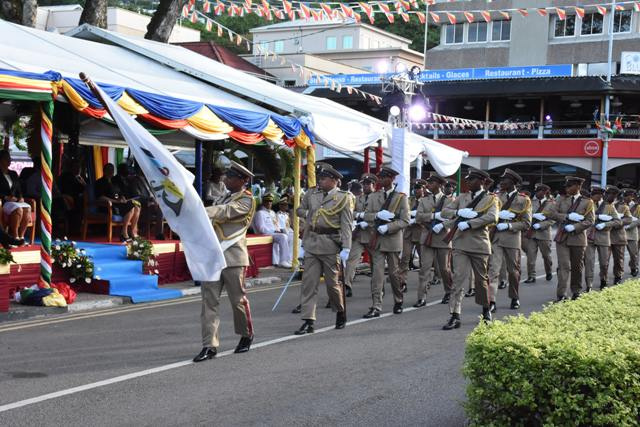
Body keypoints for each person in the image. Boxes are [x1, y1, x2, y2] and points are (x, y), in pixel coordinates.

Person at [194, 160, 257, 362]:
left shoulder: (247, 200)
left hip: (233, 256)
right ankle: (209, 345)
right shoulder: (222, 196)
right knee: (208, 302)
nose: (226, 179)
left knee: (237, 300)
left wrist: (199, 210)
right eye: (226, 176)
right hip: (213, 256)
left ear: (242, 180)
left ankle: (246, 334)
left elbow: (226, 212)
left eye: (230, 177)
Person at [294, 164, 352, 334]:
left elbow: (346, 224)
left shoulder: (343, 198)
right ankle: (308, 320)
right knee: (308, 284)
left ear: (334, 181)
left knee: (332, 284)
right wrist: (303, 245)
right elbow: (309, 222)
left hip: (330, 244)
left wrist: (346, 248)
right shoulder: (314, 195)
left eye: (324, 179)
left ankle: (340, 311)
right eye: (320, 178)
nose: (320, 181)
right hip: (312, 243)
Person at [441, 168, 498, 329]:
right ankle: (454, 315)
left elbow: (493, 217)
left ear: (481, 181)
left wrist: (471, 223)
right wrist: (458, 211)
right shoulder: (462, 197)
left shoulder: (490, 199)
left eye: (472, 179)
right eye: (468, 179)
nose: (468, 182)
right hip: (460, 244)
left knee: (481, 281)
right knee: (458, 278)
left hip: (479, 243)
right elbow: (445, 211)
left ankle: (486, 309)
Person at [488, 169, 531, 311]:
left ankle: (514, 297)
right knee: (493, 270)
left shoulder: (523, 200)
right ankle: (491, 301)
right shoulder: (495, 197)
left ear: (513, 182)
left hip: (512, 239)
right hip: (496, 239)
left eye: (504, 180)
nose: (501, 182)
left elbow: (526, 223)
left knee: (513, 271)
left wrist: (509, 225)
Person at [547, 176, 594, 301]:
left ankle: (576, 291)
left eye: (570, 185)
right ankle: (561, 293)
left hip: (578, 238)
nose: (567, 188)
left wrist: (576, 227)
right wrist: (567, 216)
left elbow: (590, 221)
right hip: (562, 238)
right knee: (564, 266)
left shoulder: (587, 202)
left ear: (578, 186)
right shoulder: (561, 200)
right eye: (566, 186)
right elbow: (551, 213)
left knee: (577, 267)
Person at [415, 173, 454, 307]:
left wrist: (442, 225)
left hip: (443, 237)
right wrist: (433, 216)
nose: (428, 185)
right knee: (424, 268)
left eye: (431, 183)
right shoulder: (424, 200)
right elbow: (418, 217)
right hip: (427, 237)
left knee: (444, 269)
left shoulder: (450, 201)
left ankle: (449, 291)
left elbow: (453, 219)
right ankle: (422, 297)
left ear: (439, 185)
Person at [94, 163, 141, 242]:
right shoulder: (100, 182)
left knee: (137, 207)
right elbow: (101, 197)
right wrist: (115, 201)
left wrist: (122, 198)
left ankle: (133, 232)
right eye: (109, 170)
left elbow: (119, 192)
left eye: (112, 170)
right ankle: (124, 232)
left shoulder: (114, 181)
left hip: (117, 203)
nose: (111, 172)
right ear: (104, 171)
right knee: (131, 207)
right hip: (106, 205)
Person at [584, 186, 619, 291]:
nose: (598, 197)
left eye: (600, 195)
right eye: (596, 195)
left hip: (603, 237)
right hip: (589, 236)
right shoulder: (587, 204)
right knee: (589, 262)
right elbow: (582, 217)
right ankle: (589, 284)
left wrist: (606, 224)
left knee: (604, 262)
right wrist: (598, 217)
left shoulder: (609, 207)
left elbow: (618, 221)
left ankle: (603, 280)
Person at [347, 174, 377, 298]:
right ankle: (347, 285)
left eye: (367, 183)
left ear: (373, 185)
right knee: (351, 261)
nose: (365, 186)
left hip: (373, 234)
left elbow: (381, 215)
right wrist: (359, 216)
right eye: (363, 184)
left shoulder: (379, 198)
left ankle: (377, 286)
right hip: (359, 234)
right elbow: (351, 212)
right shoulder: (358, 198)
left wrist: (368, 220)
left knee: (376, 264)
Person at [523, 184, 555, 283]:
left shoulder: (551, 203)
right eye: (538, 191)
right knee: (530, 256)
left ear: (545, 192)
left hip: (544, 233)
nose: (539, 193)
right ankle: (531, 276)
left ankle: (548, 271)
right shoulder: (530, 201)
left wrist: (542, 225)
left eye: (542, 191)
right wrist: (533, 216)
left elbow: (553, 219)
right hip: (531, 233)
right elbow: (524, 214)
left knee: (546, 256)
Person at [399, 179, 426, 293]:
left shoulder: (427, 200)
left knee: (423, 260)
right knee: (405, 257)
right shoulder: (409, 200)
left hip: (421, 232)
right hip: (409, 232)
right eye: (414, 188)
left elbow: (428, 214)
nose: (416, 190)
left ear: (423, 189)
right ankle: (402, 282)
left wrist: (417, 219)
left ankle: (425, 281)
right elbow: (404, 211)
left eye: (418, 188)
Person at [253, 193, 292, 268]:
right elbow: (261, 229)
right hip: (265, 234)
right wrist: (274, 231)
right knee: (283, 237)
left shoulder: (272, 212)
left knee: (291, 237)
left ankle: (288, 259)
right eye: (267, 201)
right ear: (263, 202)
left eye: (270, 201)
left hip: (274, 233)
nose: (269, 203)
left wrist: (279, 230)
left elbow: (276, 225)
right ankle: (283, 261)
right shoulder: (260, 213)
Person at [0, 149, 31, 243]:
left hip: (15, 201)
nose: (10, 161)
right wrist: (5, 197)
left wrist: (21, 197)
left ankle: (22, 237)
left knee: (27, 208)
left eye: (9, 158)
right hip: (4, 201)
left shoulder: (13, 173)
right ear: (1, 160)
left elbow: (18, 188)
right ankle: (15, 236)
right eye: (7, 159)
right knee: (18, 209)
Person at [610, 186, 631, 285]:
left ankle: (618, 275)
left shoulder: (624, 207)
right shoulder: (603, 205)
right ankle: (603, 279)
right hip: (606, 235)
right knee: (604, 261)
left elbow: (629, 219)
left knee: (618, 259)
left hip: (618, 236)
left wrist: (619, 221)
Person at [623, 189, 640, 277]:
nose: (629, 197)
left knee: (634, 253)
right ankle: (619, 272)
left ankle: (634, 267)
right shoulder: (619, 204)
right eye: (627, 196)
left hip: (632, 233)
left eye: (631, 196)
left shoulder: (637, 206)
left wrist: (629, 226)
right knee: (619, 256)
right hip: (620, 232)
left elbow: (639, 220)